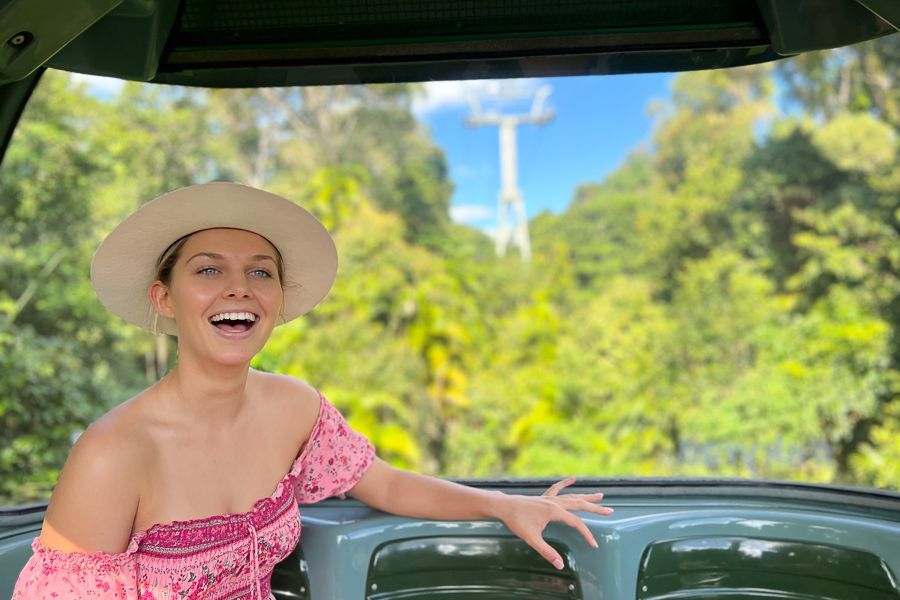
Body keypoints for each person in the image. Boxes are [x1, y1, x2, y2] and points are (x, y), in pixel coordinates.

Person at [12, 182, 612, 599]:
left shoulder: (295, 407)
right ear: (164, 298)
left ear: (277, 301)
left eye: (260, 272)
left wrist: (504, 504)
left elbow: (384, 483)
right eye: (209, 269)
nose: (239, 288)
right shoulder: (112, 455)